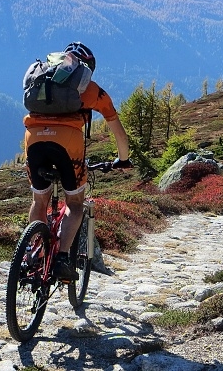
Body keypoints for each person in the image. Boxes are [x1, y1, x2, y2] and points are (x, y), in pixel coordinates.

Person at [23, 42, 132, 281]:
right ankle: (62, 258)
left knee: (39, 201)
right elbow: (118, 132)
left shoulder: (43, 80)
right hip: (67, 143)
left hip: (33, 139)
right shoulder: (92, 90)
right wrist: (123, 159)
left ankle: (33, 252)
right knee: (74, 203)